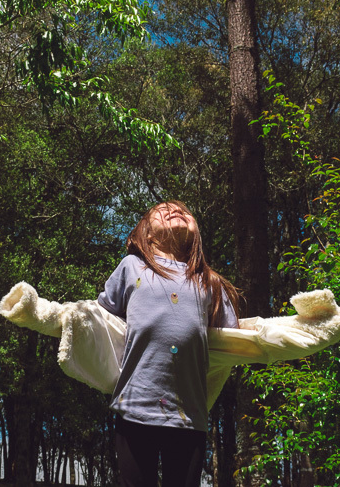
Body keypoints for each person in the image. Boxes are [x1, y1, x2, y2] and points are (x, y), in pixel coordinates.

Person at [96, 201, 240, 487]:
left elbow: (232, 336)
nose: (177, 210)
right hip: (135, 406)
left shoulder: (208, 280)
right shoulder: (132, 266)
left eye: (186, 211)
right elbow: (102, 317)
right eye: (163, 210)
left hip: (189, 415)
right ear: (146, 234)